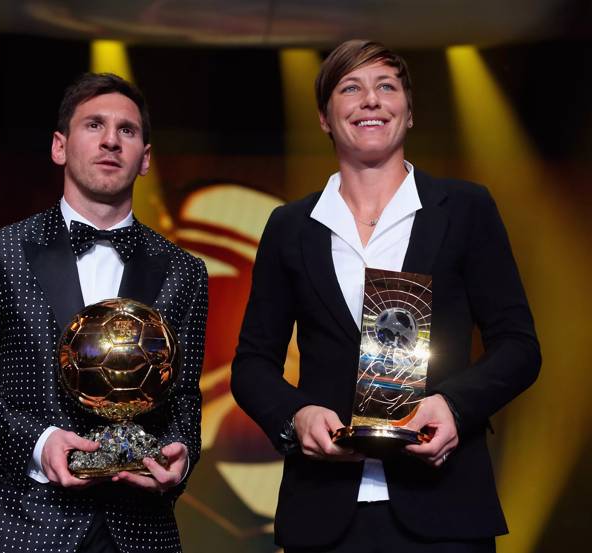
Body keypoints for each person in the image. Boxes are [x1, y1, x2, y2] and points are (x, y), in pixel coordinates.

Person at [231, 40, 540, 552]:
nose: (370, 100)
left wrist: (454, 407)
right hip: (324, 511)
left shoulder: (464, 209)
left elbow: (519, 347)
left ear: (410, 112)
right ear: (326, 118)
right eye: (350, 88)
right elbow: (252, 364)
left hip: (444, 509)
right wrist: (296, 416)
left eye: (386, 86)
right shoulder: (290, 227)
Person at [0, 72, 208, 552]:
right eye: (94, 125)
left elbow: (184, 400)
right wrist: (39, 442)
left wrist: (181, 457)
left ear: (145, 159)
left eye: (127, 130)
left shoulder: (185, 271)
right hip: (20, 525)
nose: (111, 141)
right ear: (60, 146)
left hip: (140, 531)